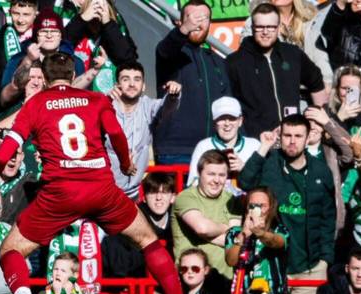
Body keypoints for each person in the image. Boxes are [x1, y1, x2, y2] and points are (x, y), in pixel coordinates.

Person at [0, 52, 196, 294]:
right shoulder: (96, 99)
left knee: (9, 251)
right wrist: (126, 162)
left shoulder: (36, 103)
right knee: (148, 241)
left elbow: (3, 155)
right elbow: (118, 135)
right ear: (73, 77)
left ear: (45, 80)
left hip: (59, 194)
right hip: (101, 191)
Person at [238, 114, 336, 294]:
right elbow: (244, 181)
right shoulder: (269, 162)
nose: (292, 141)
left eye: (298, 136)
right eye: (287, 135)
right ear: (279, 136)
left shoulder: (321, 171)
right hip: (272, 264)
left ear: (308, 137)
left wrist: (325, 259)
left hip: (309, 264)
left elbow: (329, 218)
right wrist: (263, 147)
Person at [226, 3, 327, 137]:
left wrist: (319, 120)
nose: (265, 32)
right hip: (257, 142)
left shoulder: (293, 54)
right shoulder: (235, 62)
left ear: (278, 28)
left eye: (270, 27)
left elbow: (316, 81)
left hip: (292, 140)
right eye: (260, 27)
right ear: (252, 28)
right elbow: (228, 104)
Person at [154, 0, 231, 165]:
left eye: (203, 18)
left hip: (214, 151)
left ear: (210, 23)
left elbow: (230, 105)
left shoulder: (219, 61)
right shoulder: (170, 54)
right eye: (190, 18)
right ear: (180, 22)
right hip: (176, 152)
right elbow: (165, 50)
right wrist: (184, 30)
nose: (196, 23)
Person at [106, 61, 181, 200]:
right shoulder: (105, 106)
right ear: (117, 85)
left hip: (133, 193)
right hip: (106, 191)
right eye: (125, 79)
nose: (132, 84)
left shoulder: (148, 105)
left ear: (144, 86)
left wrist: (173, 95)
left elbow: (166, 108)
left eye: (137, 79)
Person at [172, 150, 242, 279]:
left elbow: (234, 242)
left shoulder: (232, 200)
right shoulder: (186, 197)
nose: (216, 180)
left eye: (222, 175)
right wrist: (227, 229)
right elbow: (202, 228)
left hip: (224, 281)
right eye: (211, 174)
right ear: (199, 173)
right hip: (190, 279)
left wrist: (206, 234)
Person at [240, 0, 333, 86]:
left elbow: (321, 58)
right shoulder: (256, 22)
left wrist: (325, 85)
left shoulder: (312, 18)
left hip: (314, 89)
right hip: (276, 91)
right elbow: (250, 62)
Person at [102, 172, 177, 277]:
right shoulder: (133, 216)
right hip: (134, 279)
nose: (159, 198)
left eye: (164, 192)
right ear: (144, 198)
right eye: (153, 192)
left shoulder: (179, 216)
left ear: (173, 197)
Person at [225, 187, 288, 294]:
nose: (256, 209)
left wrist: (261, 233)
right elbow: (230, 261)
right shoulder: (234, 232)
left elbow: (277, 242)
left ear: (270, 208)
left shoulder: (279, 229)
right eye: (252, 206)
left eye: (261, 205)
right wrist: (243, 235)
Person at [187, 96, 260, 192]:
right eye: (221, 118)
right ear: (214, 122)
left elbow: (265, 184)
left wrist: (245, 169)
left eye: (232, 118)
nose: (227, 123)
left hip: (246, 203)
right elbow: (192, 184)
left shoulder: (254, 145)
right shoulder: (204, 146)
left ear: (240, 121)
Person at [303, 105, 353, 237]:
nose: (313, 127)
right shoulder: (294, 151)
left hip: (328, 222)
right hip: (301, 219)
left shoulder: (331, 152)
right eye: (309, 122)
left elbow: (350, 152)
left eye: (318, 122)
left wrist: (328, 122)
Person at [320, 0, 361, 70]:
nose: (359, 0)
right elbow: (326, 32)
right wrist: (340, 4)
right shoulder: (340, 16)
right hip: (340, 76)